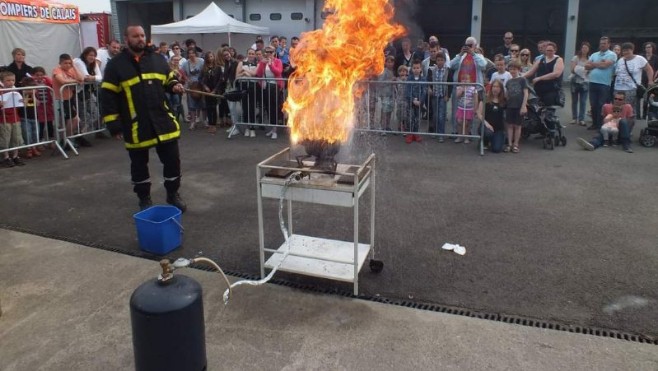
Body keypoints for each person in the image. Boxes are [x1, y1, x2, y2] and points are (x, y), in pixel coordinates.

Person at [100, 25, 187, 212]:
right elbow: (108, 96)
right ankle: (144, 198)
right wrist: (113, 124)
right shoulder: (115, 65)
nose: (140, 39)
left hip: (163, 120)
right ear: (126, 39)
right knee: (139, 166)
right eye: (135, 36)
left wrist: (174, 85)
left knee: (173, 161)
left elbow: (169, 78)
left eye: (142, 35)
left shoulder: (157, 59)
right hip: (135, 124)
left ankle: (173, 195)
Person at [449, 37, 487, 137]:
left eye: (470, 45)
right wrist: (460, 54)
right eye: (467, 45)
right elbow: (450, 65)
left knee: (472, 111)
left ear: (475, 46)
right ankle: (456, 131)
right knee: (457, 112)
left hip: (474, 88)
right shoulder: (461, 56)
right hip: (461, 88)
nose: (468, 47)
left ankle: (470, 133)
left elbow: (483, 65)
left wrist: (473, 54)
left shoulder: (479, 56)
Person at [613, 42, 654, 121]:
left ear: (632, 50)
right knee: (617, 108)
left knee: (628, 108)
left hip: (631, 88)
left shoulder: (639, 59)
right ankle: (616, 126)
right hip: (618, 88)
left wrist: (650, 81)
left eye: (628, 50)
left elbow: (649, 69)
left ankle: (627, 128)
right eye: (624, 50)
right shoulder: (620, 60)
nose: (625, 52)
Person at [585, 36, 617, 131]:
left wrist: (594, 64)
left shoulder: (612, 54)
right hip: (592, 82)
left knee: (602, 105)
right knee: (593, 105)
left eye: (604, 43)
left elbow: (605, 65)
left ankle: (601, 125)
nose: (602, 45)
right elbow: (586, 66)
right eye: (601, 43)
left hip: (604, 84)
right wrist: (599, 63)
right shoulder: (594, 54)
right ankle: (595, 124)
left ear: (608, 44)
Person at [52, 53, 84, 150]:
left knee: (74, 120)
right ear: (60, 63)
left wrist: (74, 66)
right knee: (69, 120)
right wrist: (75, 81)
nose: (68, 65)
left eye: (69, 63)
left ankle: (67, 139)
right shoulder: (57, 70)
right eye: (65, 63)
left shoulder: (71, 69)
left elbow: (81, 78)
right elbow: (62, 81)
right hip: (61, 99)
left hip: (70, 98)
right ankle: (65, 139)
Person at [73, 47, 102, 147]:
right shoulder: (78, 61)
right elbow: (85, 77)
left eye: (94, 56)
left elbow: (99, 77)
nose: (92, 57)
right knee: (82, 116)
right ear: (85, 55)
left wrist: (93, 77)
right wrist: (93, 78)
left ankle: (80, 135)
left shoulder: (93, 64)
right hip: (78, 93)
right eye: (90, 55)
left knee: (95, 114)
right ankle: (79, 137)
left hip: (88, 93)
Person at [522, 41, 564, 107]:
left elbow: (556, 74)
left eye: (551, 50)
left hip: (551, 90)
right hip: (539, 90)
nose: (549, 52)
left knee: (549, 110)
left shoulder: (558, 59)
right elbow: (530, 72)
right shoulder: (541, 60)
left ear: (555, 50)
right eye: (547, 50)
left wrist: (540, 78)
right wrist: (519, 76)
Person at [256, 46, 283, 140]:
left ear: (274, 52)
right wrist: (262, 64)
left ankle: (275, 129)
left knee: (274, 108)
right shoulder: (262, 61)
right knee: (267, 107)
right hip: (265, 86)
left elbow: (278, 72)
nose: (269, 53)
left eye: (271, 52)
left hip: (274, 86)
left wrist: (271, 64)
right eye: (267, 52)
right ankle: (272, 128)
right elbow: (258, 74)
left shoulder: (277, 61)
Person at [0, 71, 26, 167]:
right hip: (3, 118)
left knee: (16, 137)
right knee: (5, 138)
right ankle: (6, 157)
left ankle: (15, 156)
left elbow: (19, 103)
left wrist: (22, 101)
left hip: (15, 117)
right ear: (2, 81)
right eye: (8, 80)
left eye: (13, 80)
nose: (11, 82)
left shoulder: (16, 90)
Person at [504, 61, 529, 153]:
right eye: (510, 69)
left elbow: (526, 93)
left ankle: (516, 144)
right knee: (509, 125)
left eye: (514, 69)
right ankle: (509, 144)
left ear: (518, 69)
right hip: (510, 106)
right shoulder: (509, 81)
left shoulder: (522, 80)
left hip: (519, 106)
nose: (512, 71)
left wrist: (523, 106)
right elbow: (507, 94)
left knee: (518, 126)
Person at [427, 52, 451, 141]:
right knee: (435, 115)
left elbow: (450, 84)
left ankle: (441, 134)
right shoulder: (432, 69)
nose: (440, 62)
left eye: (442, 60)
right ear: (436, 61)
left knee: (441, 115)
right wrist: (429, 88)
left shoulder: (448, 70)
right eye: (438, 60)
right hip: (435, 95)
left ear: (444, 61)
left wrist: (448, 95)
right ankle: (435, 131)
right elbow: (428, 80)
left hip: (443, 95)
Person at [477, 79, 506, 153]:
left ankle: (494, 140)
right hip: (486, 127)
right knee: (488, 133)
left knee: (496, 149)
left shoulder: (504, 100)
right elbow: (479, 113)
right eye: (494, 86)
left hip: (498, 129)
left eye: (498, 87)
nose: (495, 89)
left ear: (501, 89)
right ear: (491, 87)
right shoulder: (485, 98)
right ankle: (484, 141)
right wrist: (487, 124)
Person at [235, 48, 259, 138]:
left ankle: (252, 128)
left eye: (253, 54)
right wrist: (245, 73)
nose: (251, 55)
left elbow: (254, 74)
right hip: (243, 85)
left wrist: (245, 71)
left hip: (253, 86)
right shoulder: (241, 63)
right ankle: (247, 128)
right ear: (247, 54)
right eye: (249, 53)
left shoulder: (257, 63)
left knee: (252, 107)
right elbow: (237, 75)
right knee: (245, 107)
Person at [182, 48, 205, 129]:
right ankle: (192, 122)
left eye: (193, 53)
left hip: (201, 85)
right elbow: (182, 72)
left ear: (196, 54)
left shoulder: (201, 61)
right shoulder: (185, 63)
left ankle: (205, 121)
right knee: (191, 105)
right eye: (189, 53)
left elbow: (205, 71)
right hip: (191, 86)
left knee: (203, 103)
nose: (191, 55)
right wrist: (187, 79)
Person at [200, 51, 223, 134]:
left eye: (212, 56)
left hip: (215, 90)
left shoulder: (218, 68)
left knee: (214, 107)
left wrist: (215, 90)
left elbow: (220, 80)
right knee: (208, 108)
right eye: (209, 57)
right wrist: (205, 87)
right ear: (206, 58)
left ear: (214, 57)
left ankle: (214, 124)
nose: (210, 58)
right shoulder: (204, 68)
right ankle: (210, 124)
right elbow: (200, 79)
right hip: (207, 91)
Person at [405, 60, 426, 143]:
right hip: (411, 102)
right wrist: (413, 100)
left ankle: (416, 133)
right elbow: (407, 90)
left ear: (421, 69)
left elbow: (424, 91)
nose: (416, 69)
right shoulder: (409, 78)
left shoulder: (423, 79)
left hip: (419, 103)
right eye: (414, 68)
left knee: (417, 118)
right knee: (410, 118)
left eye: (417, 68)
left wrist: (420, 101)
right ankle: (410, 134)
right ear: (411, 69)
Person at [570, 41, 590, 126]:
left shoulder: (590, 59)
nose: (584, 49)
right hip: (575, 82)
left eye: (586, 48)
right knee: (574, 101)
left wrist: (579, 69)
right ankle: (574, 118)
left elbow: (589, 70)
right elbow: (572, 69)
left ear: (588, 49)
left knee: (583, 101)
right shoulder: (575, 58)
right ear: (581, 49)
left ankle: (581, 119)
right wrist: (583, 70)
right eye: (583, 48)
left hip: (585, 83)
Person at [454, 75, 479, 144]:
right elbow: (457, 96)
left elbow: (476, 99)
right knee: (459, 122)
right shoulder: (459, 87)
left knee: (467, 123)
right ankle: (459, 136)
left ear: (470, 80)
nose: (465, 81)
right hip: (461, 108)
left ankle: (466, 137)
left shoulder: (473, 89)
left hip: (469, 109)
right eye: (463, 79)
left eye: (466, 79)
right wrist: (462, 90)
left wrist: (475, 109)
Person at [377, 56, 396, 135]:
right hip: (385, 95)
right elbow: (380, 83)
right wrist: (390, 81)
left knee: (389, 111)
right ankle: (382, 127)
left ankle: (387, 126)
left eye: (391, 62)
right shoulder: (383, 71)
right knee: (384, 111)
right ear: (385, 63)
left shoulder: (392, 71)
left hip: (391, 94)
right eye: (388, 62)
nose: (390, 64)